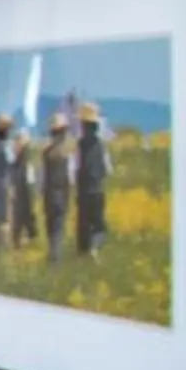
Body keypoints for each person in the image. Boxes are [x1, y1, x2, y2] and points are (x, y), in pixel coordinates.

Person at [75, 102, 112, 256]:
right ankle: (94, 248)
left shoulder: (79, 145)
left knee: (83, 224)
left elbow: (74, 169)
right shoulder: (101, 145)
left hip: (83, 191)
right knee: (98, 224)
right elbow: (108, 169)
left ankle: (85, 252)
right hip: (97, 189)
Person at [40, 113, 76, 264]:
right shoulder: (67, 154)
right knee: (58, 227)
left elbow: (41, 176)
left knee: (50, 225)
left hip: (48, 195)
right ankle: (56, 258)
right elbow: (71, 178)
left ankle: (52, 254)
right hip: (62, 194)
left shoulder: (45, 152)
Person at [0, 118, 19, 246]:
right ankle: (5, 244)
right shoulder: (6, 148)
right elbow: (12, 164)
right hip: (5, 183)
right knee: (6, 215)